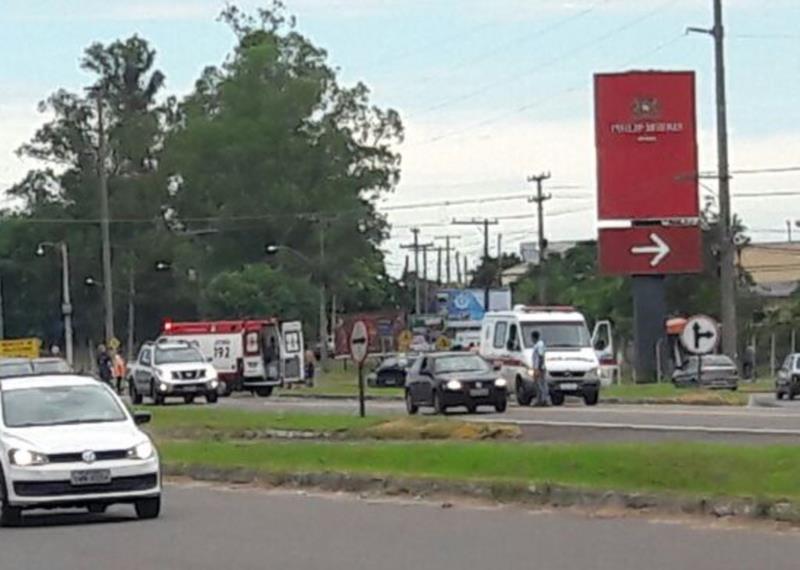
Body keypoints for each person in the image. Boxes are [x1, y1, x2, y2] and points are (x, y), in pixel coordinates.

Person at [531, 331, 550, 407]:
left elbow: (540, 356)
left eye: (532, 338)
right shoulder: (538, 345)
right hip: (538, 367)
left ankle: (543, 400)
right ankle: (541, 399)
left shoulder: (539, 345)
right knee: (539, 384)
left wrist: (538, 368)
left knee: (540, 384)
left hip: (539, 368)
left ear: (534, 337)